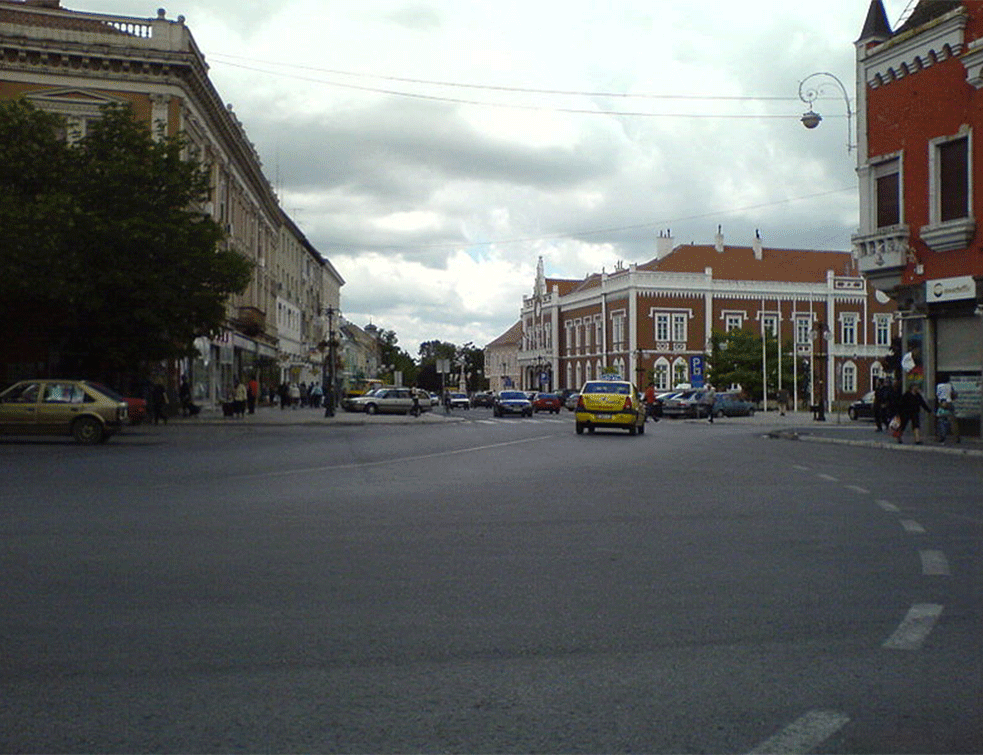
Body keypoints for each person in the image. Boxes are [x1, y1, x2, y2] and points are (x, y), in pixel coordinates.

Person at [934, 374, 960, 443]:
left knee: (941, 421)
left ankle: (942, 436)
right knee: (952, 421)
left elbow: (937, 395)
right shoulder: (949, 386)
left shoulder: (938, 386)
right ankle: (956, 437)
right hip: (949, 403)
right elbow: (953, 395)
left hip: (941, 404)